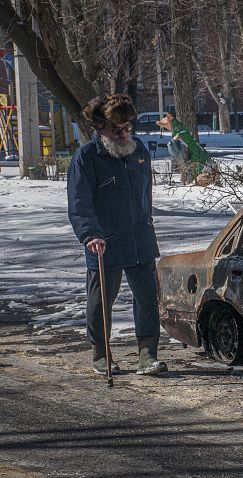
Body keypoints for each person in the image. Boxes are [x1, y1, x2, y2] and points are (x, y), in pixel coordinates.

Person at [67, 93, 168, 376]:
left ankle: (148, 354)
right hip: (103, 243)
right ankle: (101, 354)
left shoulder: (139, 153)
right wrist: (90, 235)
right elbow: (79, 203)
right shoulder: (87, 157)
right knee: (101, 301)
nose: (123, 133)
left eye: (126, 127)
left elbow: (145, 195)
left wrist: (147, 224)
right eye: (116, 129)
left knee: (147, 299)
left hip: (140, 240)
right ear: (101, 129)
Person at [156, 112, 216, 186]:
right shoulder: (181, 132)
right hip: (200, 158)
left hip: (200, 160)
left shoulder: (179, 134)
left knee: (195, 175)